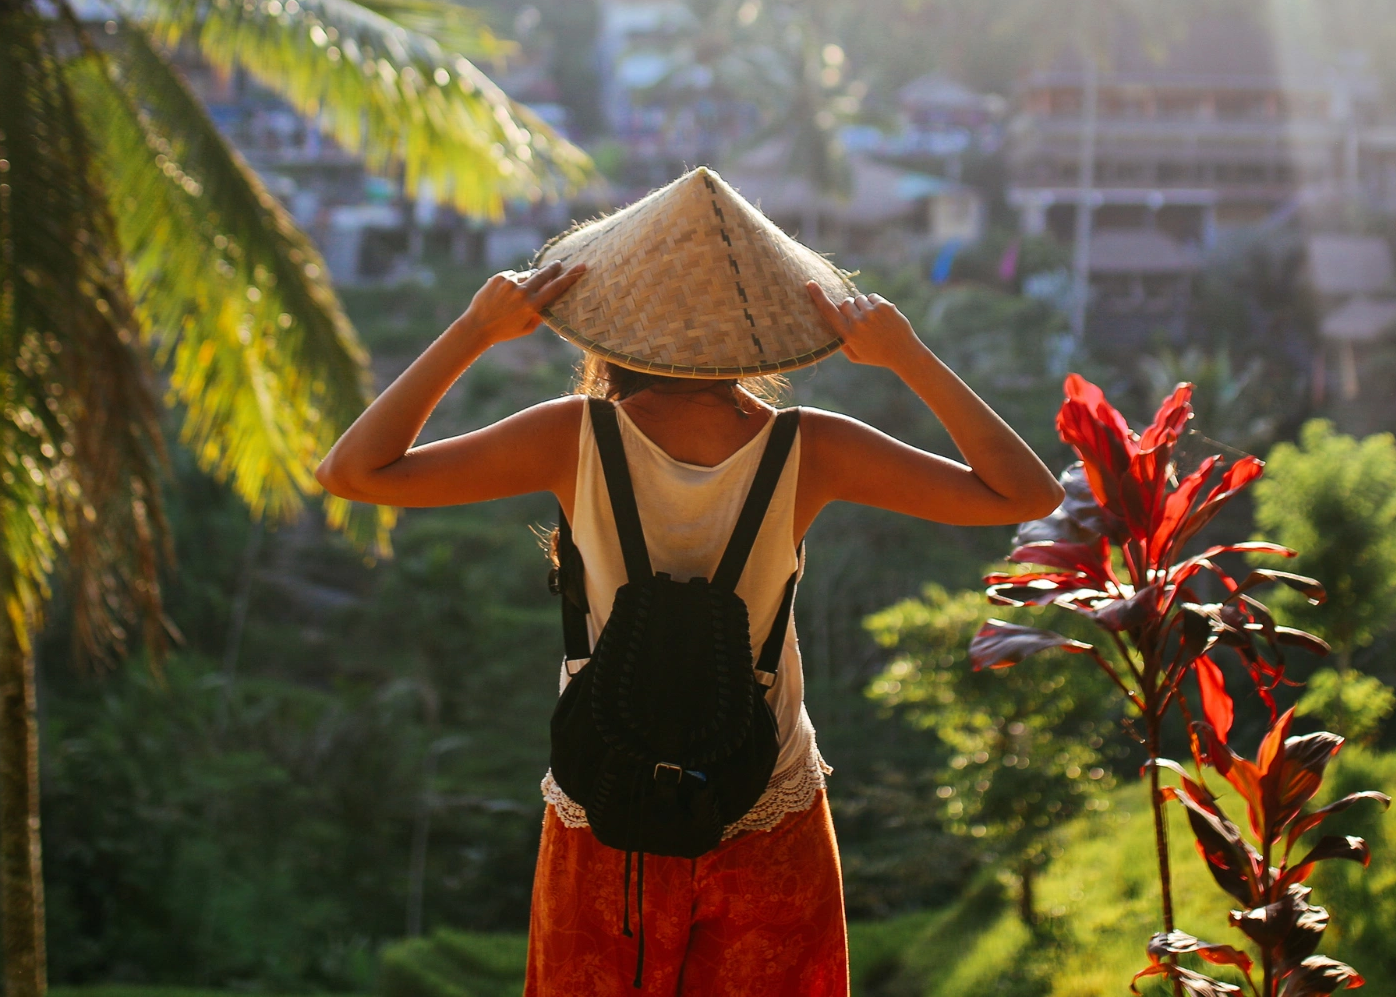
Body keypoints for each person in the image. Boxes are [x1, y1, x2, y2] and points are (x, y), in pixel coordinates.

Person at [317, 168, 1060, 996]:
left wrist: (473, 329)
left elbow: (354, 471)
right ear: (757, 329)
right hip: (766, 796)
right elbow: (1026, 495)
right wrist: (903, 354)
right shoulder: (809, 447)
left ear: (611, 324)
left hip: (607, 797)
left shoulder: (573, 435)